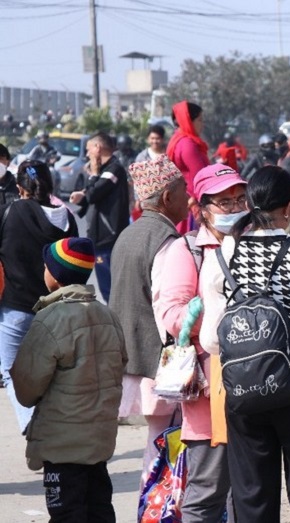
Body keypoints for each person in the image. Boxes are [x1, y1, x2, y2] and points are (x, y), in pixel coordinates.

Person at [199, 166, 290, 522]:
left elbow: (212, 339)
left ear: (249, 204)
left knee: (252, 498)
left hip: (243, 390)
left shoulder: (222, 255)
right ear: (289, 207)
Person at [152, 163, 245, 522]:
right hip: (212, 390)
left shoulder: (257, 242)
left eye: (240, 199)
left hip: (257, 384)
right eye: (225, 202)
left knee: (250, 494)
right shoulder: (186, 250)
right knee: (207, 491)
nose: (236, 208)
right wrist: (210, 315)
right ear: (202, 209)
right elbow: (171, 315)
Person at [11, 237, 127, 522]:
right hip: (99, 441)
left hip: (62, 446)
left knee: (67, 514)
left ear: (55, 275)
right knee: (99, 510)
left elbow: (26, 388)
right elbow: (120, 364)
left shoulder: (50, 320)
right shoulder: (107, 315)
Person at [110, 155, 190, 483]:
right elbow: (166, 313)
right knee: (167, 450)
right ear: (168, 197)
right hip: (156, 366)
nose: (190, 197)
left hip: (130, 361)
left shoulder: (128, 236)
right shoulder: (167, 242)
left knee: (157, 446)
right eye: (184, 189)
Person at [0, 160, 78, 434]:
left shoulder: (12, 211)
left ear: (20, 188)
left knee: (10, 369)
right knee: (52, 373)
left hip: (15, 308)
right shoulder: (67, 218)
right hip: (57, 310)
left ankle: (33, 425)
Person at [69, 132, 130, 303]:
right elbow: (92, 194)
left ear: (98, 147)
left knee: (110, 288)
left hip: (107, 237)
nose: (87, 154)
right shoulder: (105, 170)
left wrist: (93, 174)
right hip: (98, 236)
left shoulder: (114, 169)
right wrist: (82, 195)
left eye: (88, 149)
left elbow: (95, 192)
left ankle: (117, 324)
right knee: (106, 288)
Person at [166, 100, 210, 233]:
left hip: (185, 202)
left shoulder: (177, 140)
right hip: (193, 205)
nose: (203, 124)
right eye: (200, 120)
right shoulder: (187, 144)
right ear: (188, 121)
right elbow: (202, 176)